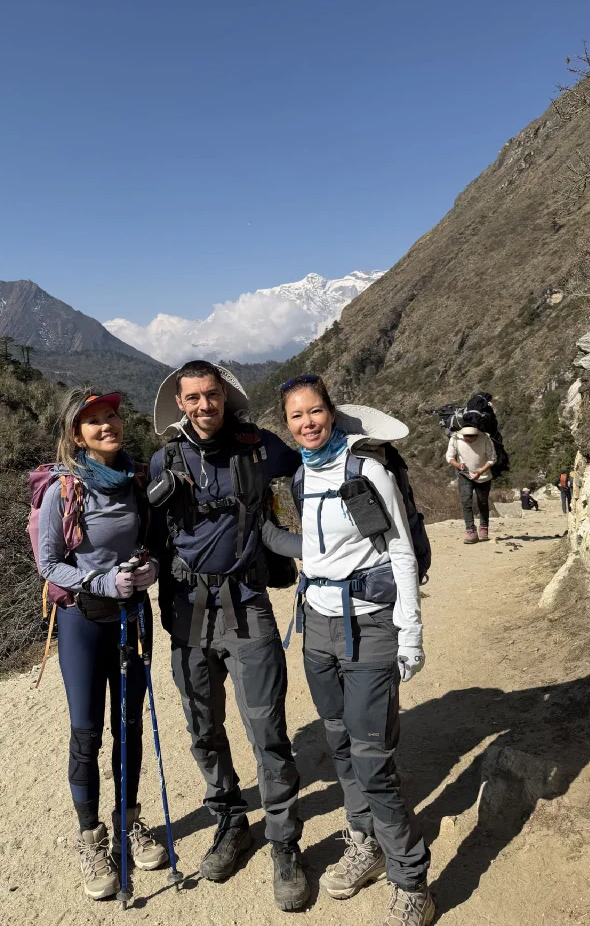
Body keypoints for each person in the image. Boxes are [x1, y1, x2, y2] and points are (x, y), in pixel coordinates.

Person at [148, 360, 309, 911]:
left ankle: (284, 843)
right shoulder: (163, 460)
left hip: (246, 601)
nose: (202, 406)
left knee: (266, 726)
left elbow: (313, 451)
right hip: (188, 606)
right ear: (179, 403)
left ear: (224, 397)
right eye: (191, 398)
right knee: (203, 726)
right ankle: (231, 821)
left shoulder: (259, 447)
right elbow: (140, 531)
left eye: (210, 395)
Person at [280, 375, 434, 926]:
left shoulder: (364, 471)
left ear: (332, 413)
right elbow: (318, 548)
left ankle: (410, 879)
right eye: (297, 416)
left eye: (316, 411)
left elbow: (398, 549)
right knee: (340, 743)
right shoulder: (302, 474)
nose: (308, 423)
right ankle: (363, 840)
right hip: (317, 627)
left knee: (373, 759)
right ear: (287, 423)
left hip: (368, 627)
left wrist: (410, 630)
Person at [37, 387, 168, 901]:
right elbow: (49, 563)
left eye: (111, 416)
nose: (106, 425)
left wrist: (150, 568)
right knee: (88, 731)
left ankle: (128, 821)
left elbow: (151, 542)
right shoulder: (62, 490)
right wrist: (100, 582)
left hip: (133, 613)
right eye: (93, 421)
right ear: (77, 435)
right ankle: (91, 837)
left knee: (129, 724)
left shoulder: (136, 479)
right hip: (83, 620)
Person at [446, 425, 496, 543]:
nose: (469, 439)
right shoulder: (455, 438)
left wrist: (480, 471)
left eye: (472, 436)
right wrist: (458, 465)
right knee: (466, 502)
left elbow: (492, 458)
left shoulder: (485, 439)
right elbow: (449, 457)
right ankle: (470, 531)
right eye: (466, 436)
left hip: (483, 476)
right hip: (464, 475)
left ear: (477, 435)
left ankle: (483, 527)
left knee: (482, 502)